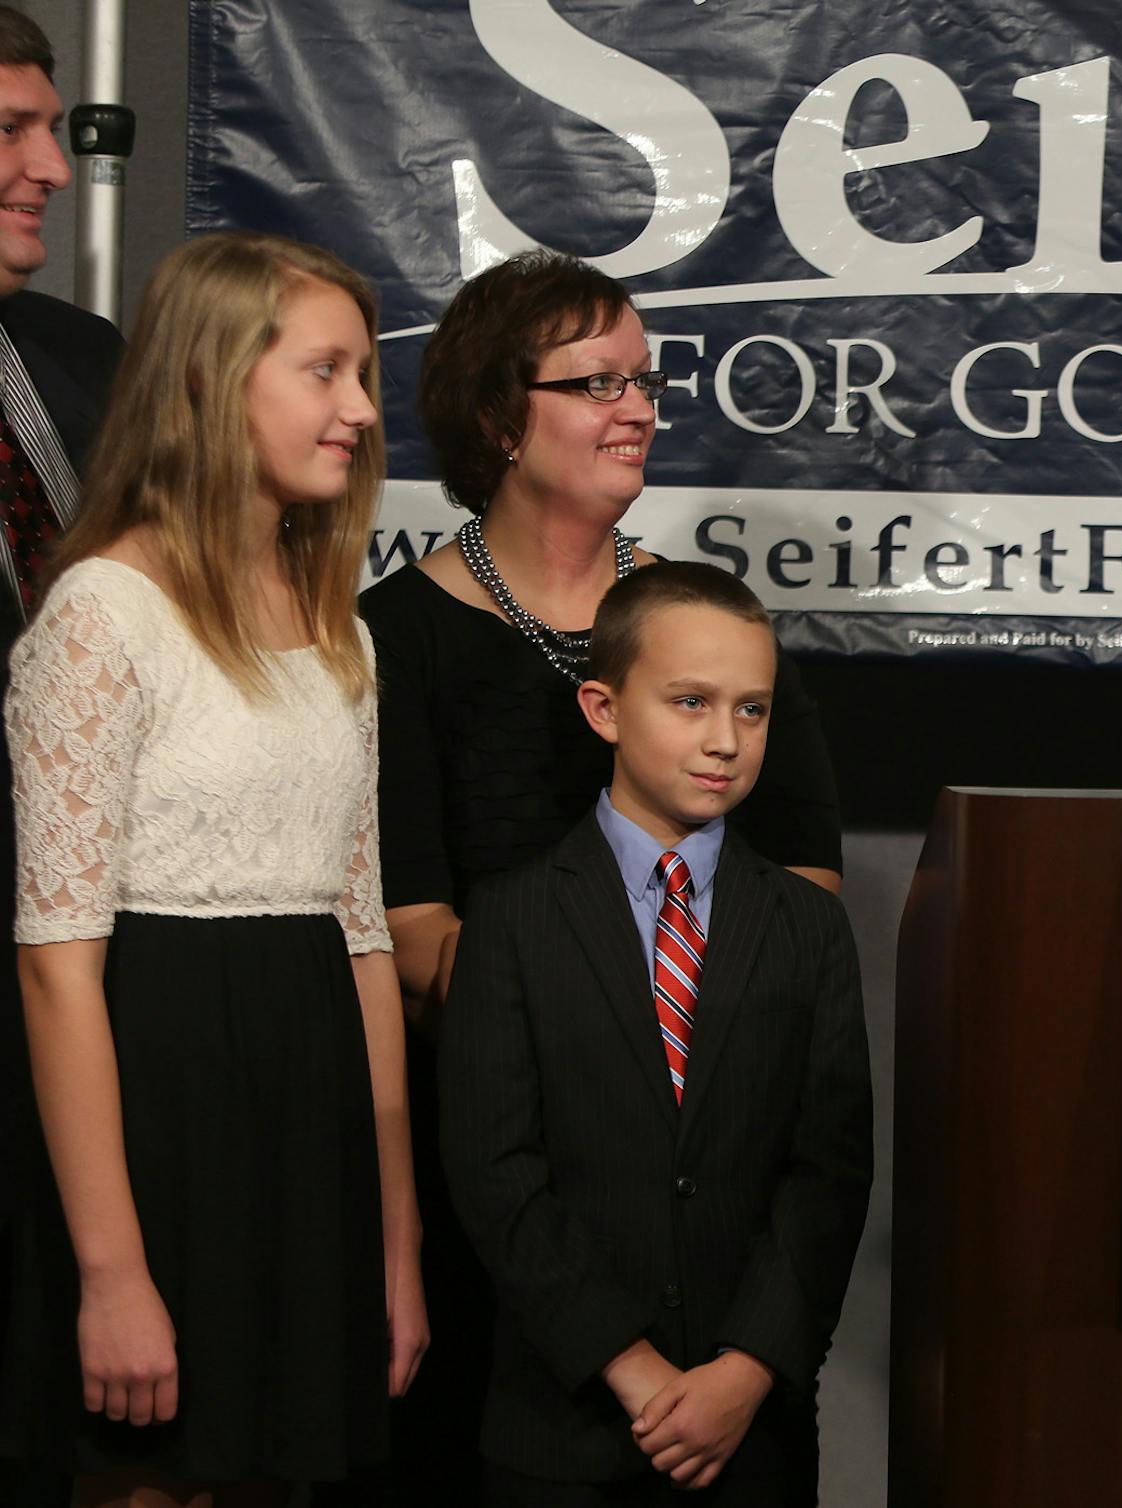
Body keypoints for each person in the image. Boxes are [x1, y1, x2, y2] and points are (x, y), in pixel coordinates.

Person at [357, 251, 843, 1500]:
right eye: (595, 381)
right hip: (504, 1206)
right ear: (494, 415)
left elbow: (803, 905)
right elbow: (410, 931)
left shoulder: (707, 631)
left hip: (720, 1198)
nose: (635, 405)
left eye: (644, 378)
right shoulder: (394, 641)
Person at [4, 232, 426, 1502]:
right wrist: (112, 1270)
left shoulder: (337, 623)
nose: (359, 408)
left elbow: (362, 940)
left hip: (307, 1132)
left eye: (361, 376)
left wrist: (393, 1239)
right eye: (326, 370)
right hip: (157, 1128)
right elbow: (56, 969)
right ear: (209, 376)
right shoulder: (101, 614)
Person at [438, 561, 871, 1507]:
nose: (725, 741)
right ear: (603, 709)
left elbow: (829, 1171)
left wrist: (745, 1368)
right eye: (690, 702)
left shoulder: (806, 925)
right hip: (561, 1432)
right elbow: (493, 1168)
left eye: (751, 711)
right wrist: (630, 1367)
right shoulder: (511, 921)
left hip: (748, 1438)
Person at [0, 12, 124, 1495]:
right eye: (10, 134)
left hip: (89, 987)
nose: (50, 167)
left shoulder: (87, 362)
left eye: (51, 131)